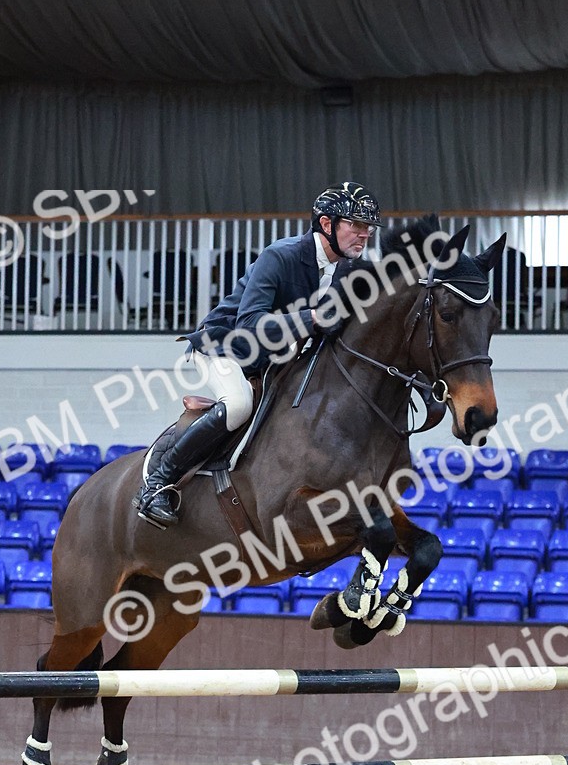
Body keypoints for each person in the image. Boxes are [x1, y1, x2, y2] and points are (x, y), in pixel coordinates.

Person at [134, 181, 382, 526]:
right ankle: (158, 484)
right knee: (239, 404)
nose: (365, 234)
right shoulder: (280, 256)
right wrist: (311, 318)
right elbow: (250, 322)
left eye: (368, 227)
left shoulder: (352, 271)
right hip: (227, 347)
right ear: (326, 224)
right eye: (356, 224)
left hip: (276, 359)